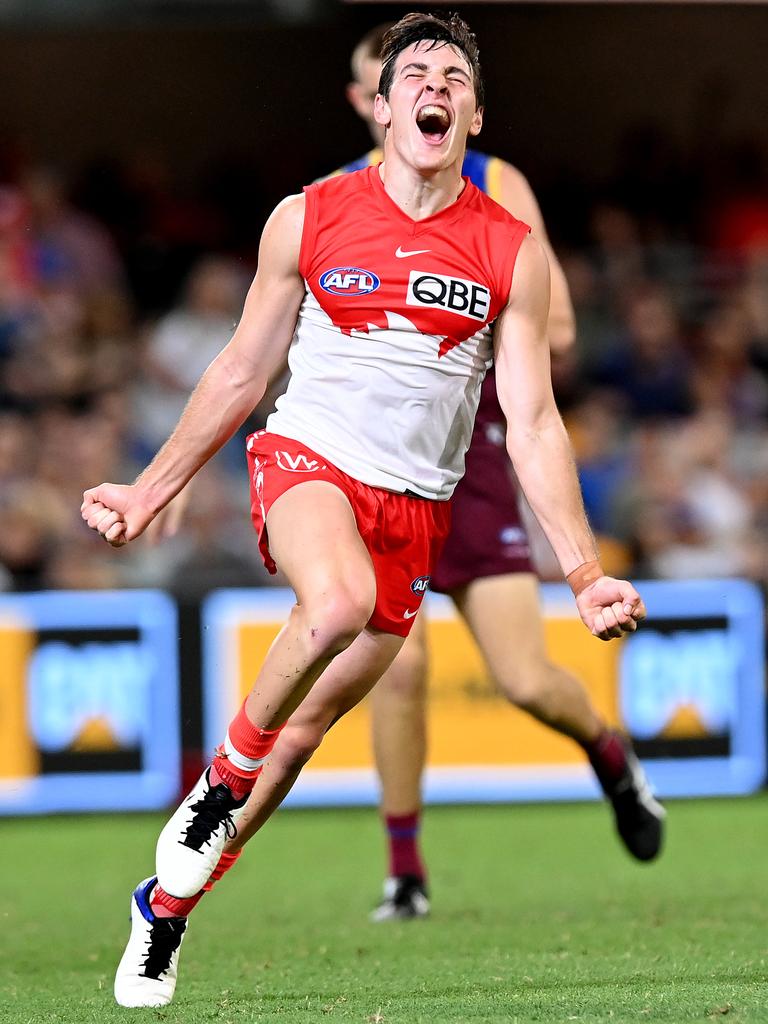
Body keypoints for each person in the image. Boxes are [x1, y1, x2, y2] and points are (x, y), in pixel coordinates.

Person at [83, 13, 646, 1008]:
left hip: (416, 511)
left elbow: (535, 420)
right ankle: (218, 778)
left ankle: (162, 912)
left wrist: (586, 570)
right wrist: (148, 486)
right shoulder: (308, 215)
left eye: (454, 75)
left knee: (301, 740)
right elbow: (241, 370)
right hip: (307, 461)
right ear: (382, 108)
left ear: (472, 110)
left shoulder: (509, 250)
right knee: (333, 600)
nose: (435, 85)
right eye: (414, 72)